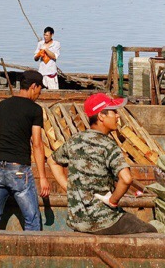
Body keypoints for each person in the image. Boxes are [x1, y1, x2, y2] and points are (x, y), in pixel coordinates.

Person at [47, 92, 157, 235]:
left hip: (77, 220)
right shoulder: (108, 145)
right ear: (101, 116)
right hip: (103, 220)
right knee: (150, 231)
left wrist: (69, 189)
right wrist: (113, 200)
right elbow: (126, 178)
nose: (118, 116)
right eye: (114, 112)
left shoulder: (75, 140)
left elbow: (52, 161)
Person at [0, 69, 50, 230]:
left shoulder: (3, 105)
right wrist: (42, 177)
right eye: (40, 89)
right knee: (32, 219)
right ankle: (31, 254)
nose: (40, 94)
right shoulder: (35, 110)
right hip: (19, 170)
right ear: (34, 86)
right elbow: (37, 144)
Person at [34, 26, 61, 90]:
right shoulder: (40, 44)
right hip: (41, 73)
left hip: (51, 73)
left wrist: (45, 49)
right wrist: (39, 54)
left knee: (54, 92)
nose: (45, 37)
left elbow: (54, 56)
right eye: (44, 35)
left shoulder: (56, 44)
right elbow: (35, 58)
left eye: (47, 35)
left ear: (52, 35)